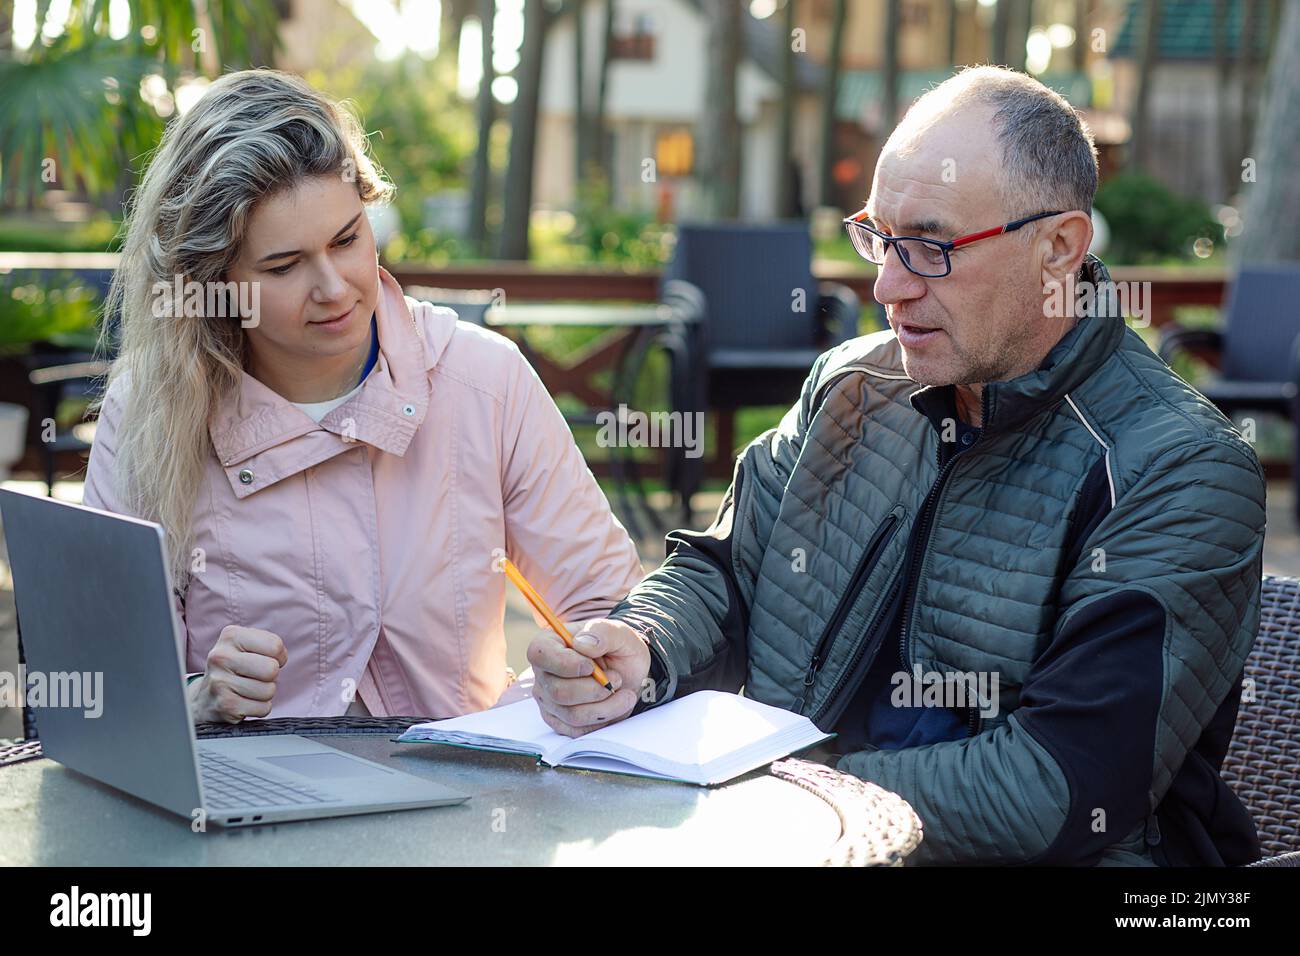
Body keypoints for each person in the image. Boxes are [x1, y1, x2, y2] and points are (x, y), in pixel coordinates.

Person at [525, 66, 1265, 866]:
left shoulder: (1179, 470)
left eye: (930, 247)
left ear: (1060, 248)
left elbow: (1056, 788)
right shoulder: (852, 384)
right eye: (878, 237)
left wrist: (786, 795)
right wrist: (644, 645)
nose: (887, 284)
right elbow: (728, 569)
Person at [83, 69, 643, 725]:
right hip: (245, 812)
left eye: (347, 239)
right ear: (214, 282)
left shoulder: (484, 380)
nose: (335, 288)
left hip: (458, 808)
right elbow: (108, 685)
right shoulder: (150, 410)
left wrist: (587, 676)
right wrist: (194, 699)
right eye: (283, 266)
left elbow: (608, 605)